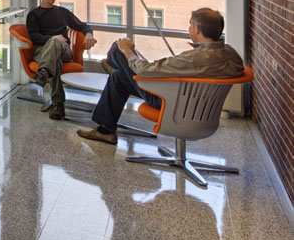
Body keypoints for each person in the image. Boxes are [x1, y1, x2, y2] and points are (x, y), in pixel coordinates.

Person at [78, 8, 243, 145]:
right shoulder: (232, 55)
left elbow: (145, 71)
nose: (189, 29)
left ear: (197, 29)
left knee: (117, 48)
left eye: (190, 26)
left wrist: (127, 50)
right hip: (199, 106)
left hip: (171, 103)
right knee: (118, 77)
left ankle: (112, 63)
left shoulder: (192, 59)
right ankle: (105, 131)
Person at [26, 0, 97, 120]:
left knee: (56, 45)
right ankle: (58, 104)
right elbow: (34, 36)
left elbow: (81, 25)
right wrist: (52, 38)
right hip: (43, 51)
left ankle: (44, 71)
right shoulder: (33, 14)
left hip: (64, 50)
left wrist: (89, 33)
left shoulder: (63, 12)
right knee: (55, 57)